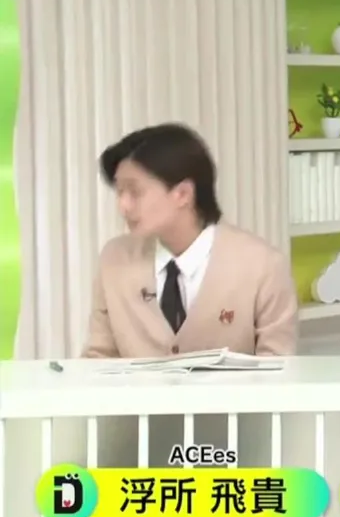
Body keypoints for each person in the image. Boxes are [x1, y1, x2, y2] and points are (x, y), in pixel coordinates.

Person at [83, 123, 298, 357]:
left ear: (183, 194)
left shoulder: (263, 266)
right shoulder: (114, 259)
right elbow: (98, 359)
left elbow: (278, 367)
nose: (123, 206)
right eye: (119, 192)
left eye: (135, 192)